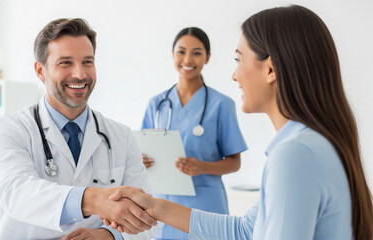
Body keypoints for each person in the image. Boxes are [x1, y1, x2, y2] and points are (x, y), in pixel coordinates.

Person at [105, 5, 373, 240]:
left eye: (238, 59)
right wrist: (155, 206)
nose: (234, 75)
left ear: (270, 70)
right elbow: (246, 231)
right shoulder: (309, 143)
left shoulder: (295, 154)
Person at [0, 18, 157, 240]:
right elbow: (17, 192)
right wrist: (93, 199)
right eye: (65, 63)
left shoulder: (120, 136)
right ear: (40, 71)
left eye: (87, 62)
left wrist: (108, 236)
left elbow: (148, 217)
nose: (79, 74)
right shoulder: (10, 129)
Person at [141, 27, 247, 239]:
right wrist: (141, 161)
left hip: (206, 206)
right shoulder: (157, 104)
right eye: (181, 51)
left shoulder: (222, 105)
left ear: (207, 57)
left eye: (197, 52)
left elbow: (235, 162)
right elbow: (141, 151)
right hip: (163, 203)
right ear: (173, 54)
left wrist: (202, 167)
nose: (188, 59)